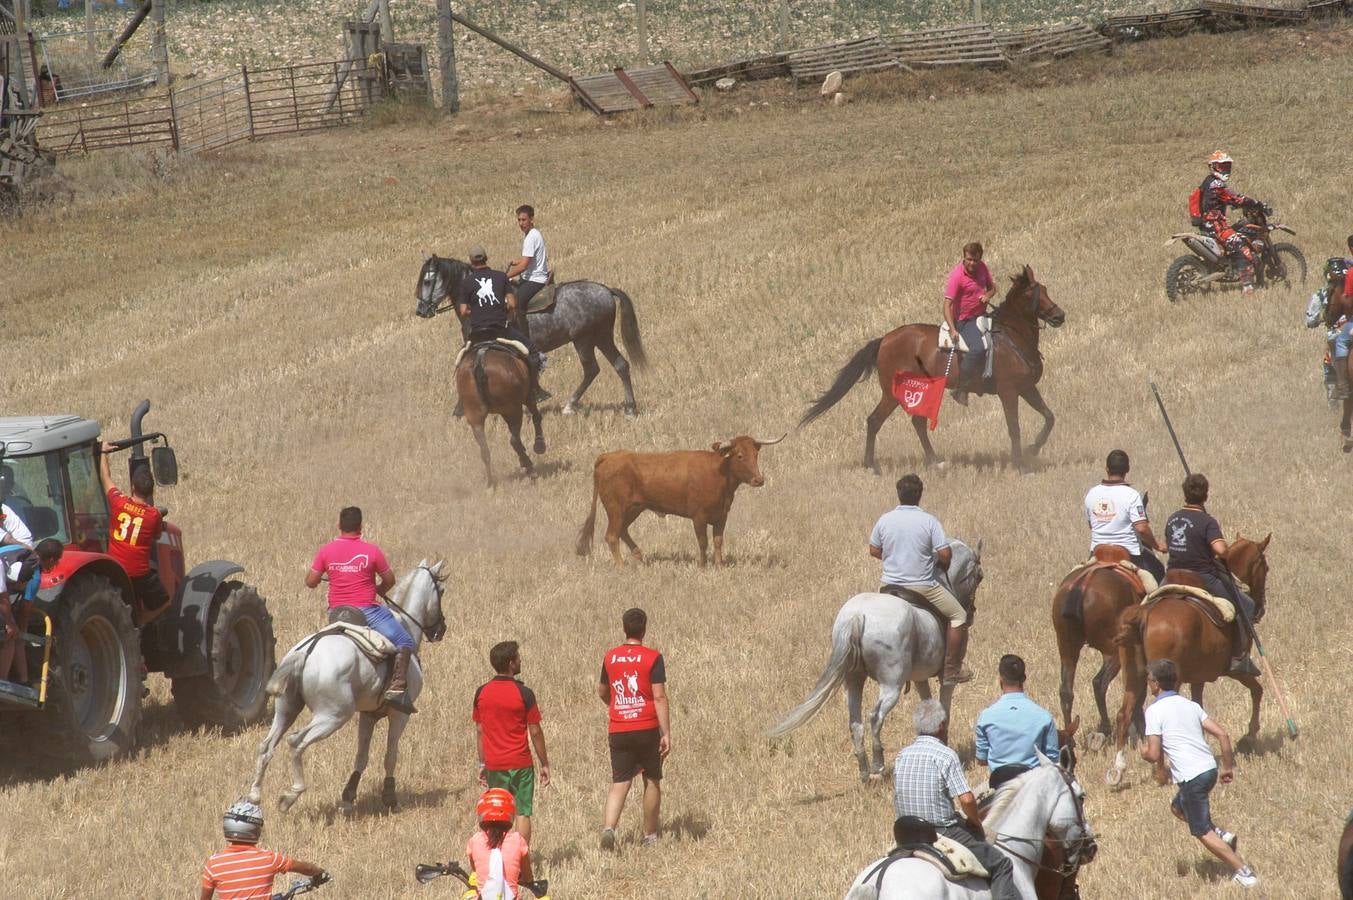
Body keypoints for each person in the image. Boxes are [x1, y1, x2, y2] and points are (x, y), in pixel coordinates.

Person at [1140, 658, 1258, 888]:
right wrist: (1227, 767)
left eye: (1148, 680)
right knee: (1177, 807)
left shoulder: (1154, 711)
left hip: (1191, 777)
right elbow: (1223, 735)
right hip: (1208, 770)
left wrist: (1144, 752)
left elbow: (1154, 755)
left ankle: (1243, 871)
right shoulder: (1191, 705)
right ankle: (1221, 835)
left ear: (1155, 684)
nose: (1148, 684)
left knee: (1201, 831)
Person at [893, 699, 1017, 900]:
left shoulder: (901, 755)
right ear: (942, 725)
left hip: (905, 832)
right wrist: (975, 822)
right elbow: (967, 800)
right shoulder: (945, 755)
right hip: (940, 832)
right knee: (1001, 864)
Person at [306, 506, 416, 713]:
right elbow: (390, 580)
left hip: (336, 613)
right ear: (361, 527)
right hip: (367, 612)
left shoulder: (325, 551)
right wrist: (377, 590)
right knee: (404, 641)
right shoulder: (372, 551)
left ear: (339, 526)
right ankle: (397, 690)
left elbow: (310, 582)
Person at [869, 474, 971, 685]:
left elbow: (873, 549)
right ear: (919, 495)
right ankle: (951, 669)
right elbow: (945, 555)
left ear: (898, 495)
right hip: (922, 586)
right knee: (959, 614)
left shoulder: (885, 519)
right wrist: (933, 559)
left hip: (888, 586)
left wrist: (891, 556)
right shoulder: (929, 521)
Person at [1163, 474, 1260, 676]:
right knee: (1247, 606)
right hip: (1201, 576)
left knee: (1148, 603)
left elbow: (1170, 544)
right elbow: (1220, 550)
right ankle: (1238, 658)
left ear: (1185, 494)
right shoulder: (1207, 521)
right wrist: (1223, 545)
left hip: (1171, 575)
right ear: (1205, 496)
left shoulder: (1173, 518)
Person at [598, 607, 670, 851]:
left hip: (619, 727)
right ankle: (649, 836)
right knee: (651, 780)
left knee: (620, 782)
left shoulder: (610, 657)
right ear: (644, 629)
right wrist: (666, 732)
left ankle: (609, 828)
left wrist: (617, 706)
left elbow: (602, 691)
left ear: (624, 628)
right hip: (647, 726)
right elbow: (659, 696)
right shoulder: (653, 657)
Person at [473, 640, 552, 845]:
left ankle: (498, 856)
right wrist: (544, 763)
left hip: (494, 764)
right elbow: (535, 732)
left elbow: (480, 731)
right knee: (522, 812)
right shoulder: (524, 693)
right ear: (510, 663)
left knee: (498, 813)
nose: (520, 660)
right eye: (517, 658)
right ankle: (521, 858)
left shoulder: (481, 693)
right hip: (521, 764)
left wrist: (482, 764)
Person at [97, 441, 170, 624]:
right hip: (138, 575)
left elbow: (106, 477)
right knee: (165, 602)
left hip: (114, 570)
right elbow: (157, 536)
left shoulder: (118, 502)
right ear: (151, 491)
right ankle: (142, 620)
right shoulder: (153, 515)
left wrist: (103, 452)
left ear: (132, 488)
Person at [457, 247, 542, 401]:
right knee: (533, 351)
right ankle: (534, 391)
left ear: (471, 262)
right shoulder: (501, 277)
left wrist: (475, 312)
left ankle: (462, 402)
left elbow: (463, 311)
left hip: (477, 334)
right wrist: (503, 309)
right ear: (486, 258)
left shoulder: (466, 282)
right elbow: (512, 303)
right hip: (500, 330)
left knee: (461, 363)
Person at [200, 798, 328, 900]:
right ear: (255, 829)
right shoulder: (268, 859)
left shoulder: (213, 864)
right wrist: (320, 872)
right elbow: (307, 868)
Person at [974, 654, 1059, 789]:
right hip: (1033, 787)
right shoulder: (1044, 717)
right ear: (1024, 679)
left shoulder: (986, 717)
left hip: (999, 788)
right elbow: (1052, 760)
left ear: (1000, 679)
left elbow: (981, 760)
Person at [1083, 449, 1166, 582]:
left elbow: (1091, 525)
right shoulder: (1132, 495)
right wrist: (1157, 545)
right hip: (1129, 554)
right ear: (1127, 469)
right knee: (1158, 573)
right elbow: (1142, 529)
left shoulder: (1091, 493)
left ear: (1106, 468)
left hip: (1097, 553)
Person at [1196, 151, 1266, 292]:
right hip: (1217, 227)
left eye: (1227, 166)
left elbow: (1219, 200)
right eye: (1223, 166)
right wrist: (1257, 203)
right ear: (1214, 166)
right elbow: (1236, 198)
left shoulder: (1207, 181)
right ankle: (1248, 287)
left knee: (1236, 236)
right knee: (1242, 247)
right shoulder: (1217, 184)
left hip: (1207, 225)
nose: (1226, 169)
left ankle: (1230, 267)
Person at [942, 241, 997, 405]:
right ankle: (961, 389)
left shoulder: (983, 268)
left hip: (982, 316)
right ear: (964, 258)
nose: (972, 263)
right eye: (969, 259)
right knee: (978, 348)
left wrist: (988, 295)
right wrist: (953, 329)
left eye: (975, 260)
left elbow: (993, 287)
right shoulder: (957, 276)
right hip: (964, 321)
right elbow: (946, 306)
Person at [0, 538, 61, 684]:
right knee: (12, 635)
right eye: (58, 560)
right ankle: (6, 681)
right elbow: (23, 618)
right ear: (52, 559)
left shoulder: (15, 549)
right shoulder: (34, 573)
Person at [504, 204, 550, 372]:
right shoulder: (533, 234)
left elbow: (524, 266)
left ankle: (528, 345)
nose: (521, 223)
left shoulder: (531, 237)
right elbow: (527, 260)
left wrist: (505, 276)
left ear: (532, 219)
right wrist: (516, 262)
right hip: (533, 276)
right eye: (519, 220)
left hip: (535, 280)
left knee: (517, 303)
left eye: (524, 219)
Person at [466, 788, 535, 900]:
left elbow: (475, 868)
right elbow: (527, 876)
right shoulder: (518, 841)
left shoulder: (475, 841)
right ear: (510, 813)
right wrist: (527, 879)